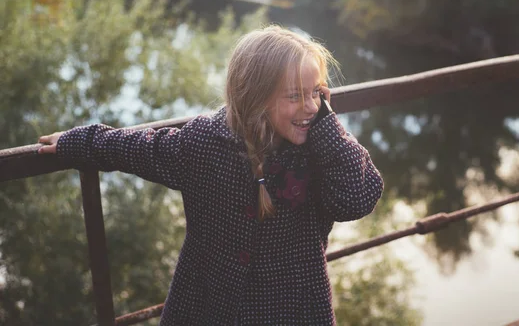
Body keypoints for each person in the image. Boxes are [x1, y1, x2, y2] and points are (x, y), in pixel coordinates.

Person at [38, 25, 384, 325]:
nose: (310, 107)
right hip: (206, 308)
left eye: (318, 94)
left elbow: (358, 197)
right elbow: (140, 148)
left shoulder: (322, 149)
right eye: (295, 96)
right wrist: (76, 142)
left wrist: (328, 124)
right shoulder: (205, 143)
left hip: (294, 310)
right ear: (256, 98)